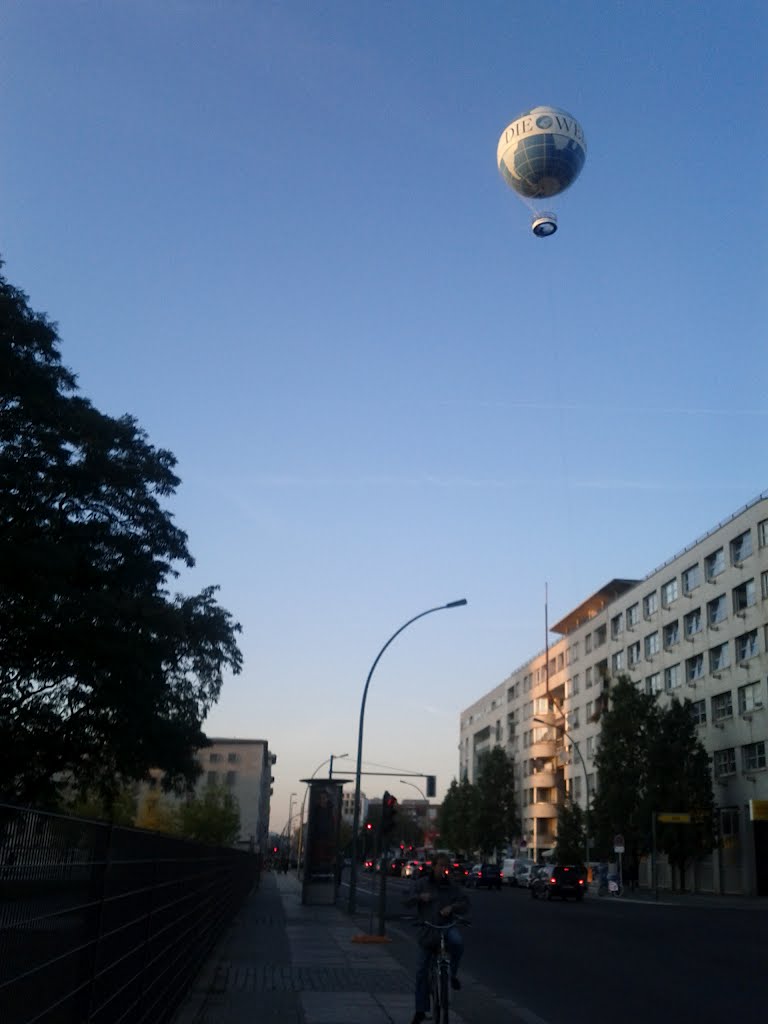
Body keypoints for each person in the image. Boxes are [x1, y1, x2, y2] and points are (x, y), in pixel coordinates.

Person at [404, 853, 469, 1024]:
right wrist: (419, 897)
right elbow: (406, 900)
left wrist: (452, 907)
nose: (443, 869)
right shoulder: (422, 884)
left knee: (458, 943)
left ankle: (452, 975)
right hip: (428, 930)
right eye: (440, 866)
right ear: (433, 866)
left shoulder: (451, 886)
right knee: (421, 971)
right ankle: (420, 1010)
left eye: (446, 866)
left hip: (446, 928)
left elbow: (464, 903)